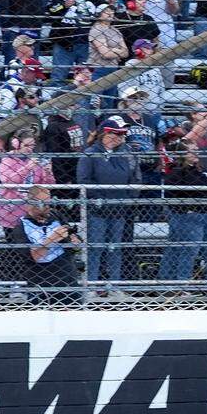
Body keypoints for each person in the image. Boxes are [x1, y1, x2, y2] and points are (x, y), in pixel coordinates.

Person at [76, 115, 141, 297]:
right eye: (113, 133)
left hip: (119, 209)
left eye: (121, 134)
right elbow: (83, 180)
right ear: (103, 133)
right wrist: (100, 199)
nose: (117, 137)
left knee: (115, 249)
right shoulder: (90, 153)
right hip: (97, 209)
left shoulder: (126, 153)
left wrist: (126, 199)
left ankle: (113, 285)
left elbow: (135, 179)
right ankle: (91, 285)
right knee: (95, 248)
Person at [6, 185, 82, 304]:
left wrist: (74, 240)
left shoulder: (56, 216)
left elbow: (74, 243)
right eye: (43, 204)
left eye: (48, 202)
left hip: (67, 280)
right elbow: (34, 257)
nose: (47, 207)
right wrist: (51, 239)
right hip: (40, 284)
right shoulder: (20, 227)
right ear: (31, 204)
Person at [158, 144, 207, 285]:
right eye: (190, 151)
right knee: (188, 252)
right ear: (181, 154)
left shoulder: (202, 171)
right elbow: (170, 196)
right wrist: (187, 210)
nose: (195, 153)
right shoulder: (176, 172)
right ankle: (181, 284)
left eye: (196, 150)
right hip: (189, 218)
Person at [0, 127, 54, 231]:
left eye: (32, 145)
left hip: (33, 212)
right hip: (13, 212)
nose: (30, 148)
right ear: (16, 144)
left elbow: (48, 185)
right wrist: (27, 167)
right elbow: (8, 182)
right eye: (26, 145)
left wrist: (48, 172)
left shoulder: (36, 160)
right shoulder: (7, 160)